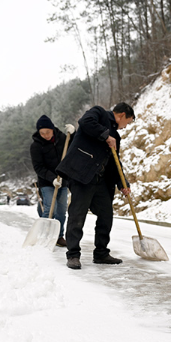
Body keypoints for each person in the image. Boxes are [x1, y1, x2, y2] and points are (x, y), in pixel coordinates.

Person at [56, 103, 135, 270]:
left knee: (106, 215)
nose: (126, 126)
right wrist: (105, 135)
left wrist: (123, 184)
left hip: (100, 180)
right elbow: (85, 122)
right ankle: (73, 255)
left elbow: (115, 162)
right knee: (77, 216)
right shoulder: (98, 113)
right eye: (127, 122)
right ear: (121, 115)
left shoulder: (116, 137)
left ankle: (101, 253)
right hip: (81, 176)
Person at [30, 115, 75, 247]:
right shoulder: (36, 146)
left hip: (63, 180)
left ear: (52, 129)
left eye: (47, 132)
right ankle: (45, 236)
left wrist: (73, 133)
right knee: (50, 208)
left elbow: (73, 146)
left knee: (61, 211)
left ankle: (59, 236)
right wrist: (52, 178)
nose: (45, 135)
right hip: (46, 181)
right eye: (42, 133)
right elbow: (38, 167)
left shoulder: (62, 138)